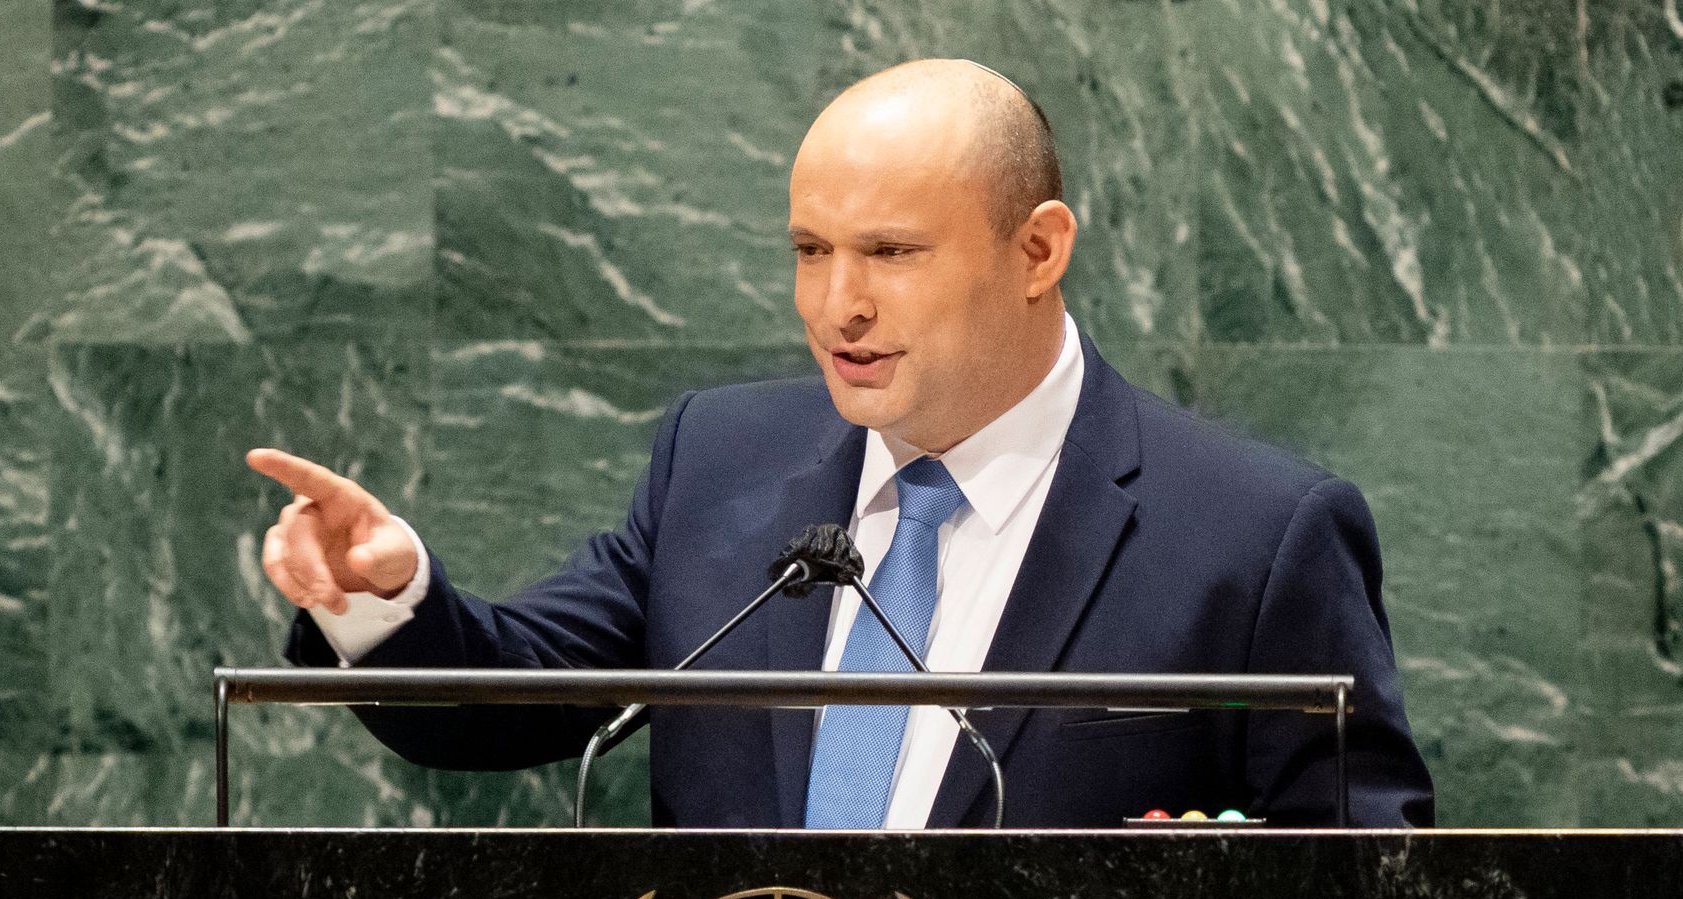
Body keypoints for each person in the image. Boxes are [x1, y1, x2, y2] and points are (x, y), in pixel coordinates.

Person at [250, 60, 1434, 828]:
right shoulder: (719, 460)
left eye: (892, 254)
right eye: (811, 252)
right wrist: (383, 598)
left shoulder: (1255, 538)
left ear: (1038, 251)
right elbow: (508, 699)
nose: (837, 306)